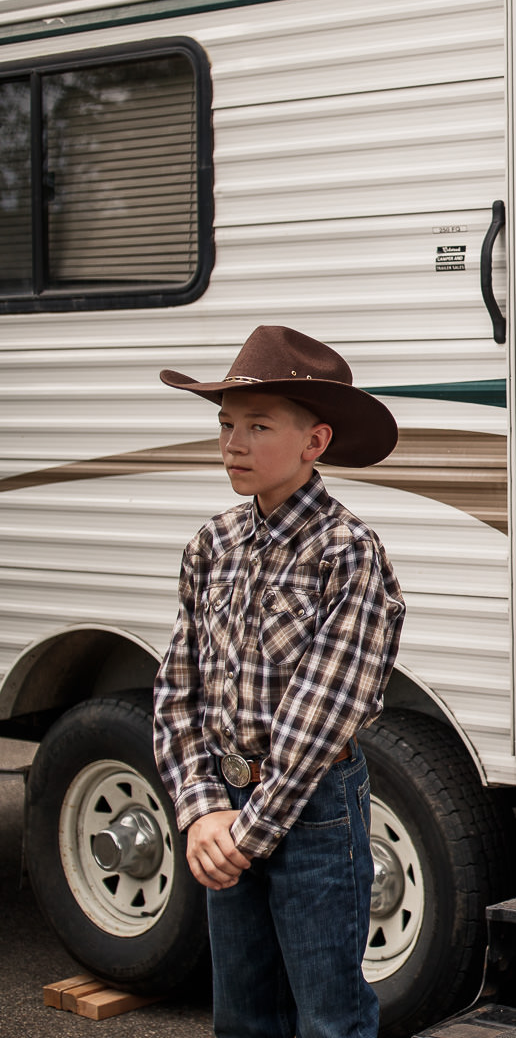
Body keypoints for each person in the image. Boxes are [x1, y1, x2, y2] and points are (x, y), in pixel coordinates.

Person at [151, 325, 405, 1038]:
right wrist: (202, 809)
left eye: (257, 426)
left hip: (311, 809)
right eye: (227, 424)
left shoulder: (345, 552)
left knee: (328, 1018)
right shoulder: (213, 543)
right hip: (228, 803)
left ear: (314, 443)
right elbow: (179, 688)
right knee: (242, 1015)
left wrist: (248, 831)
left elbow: (325, 710)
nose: (232, 443)